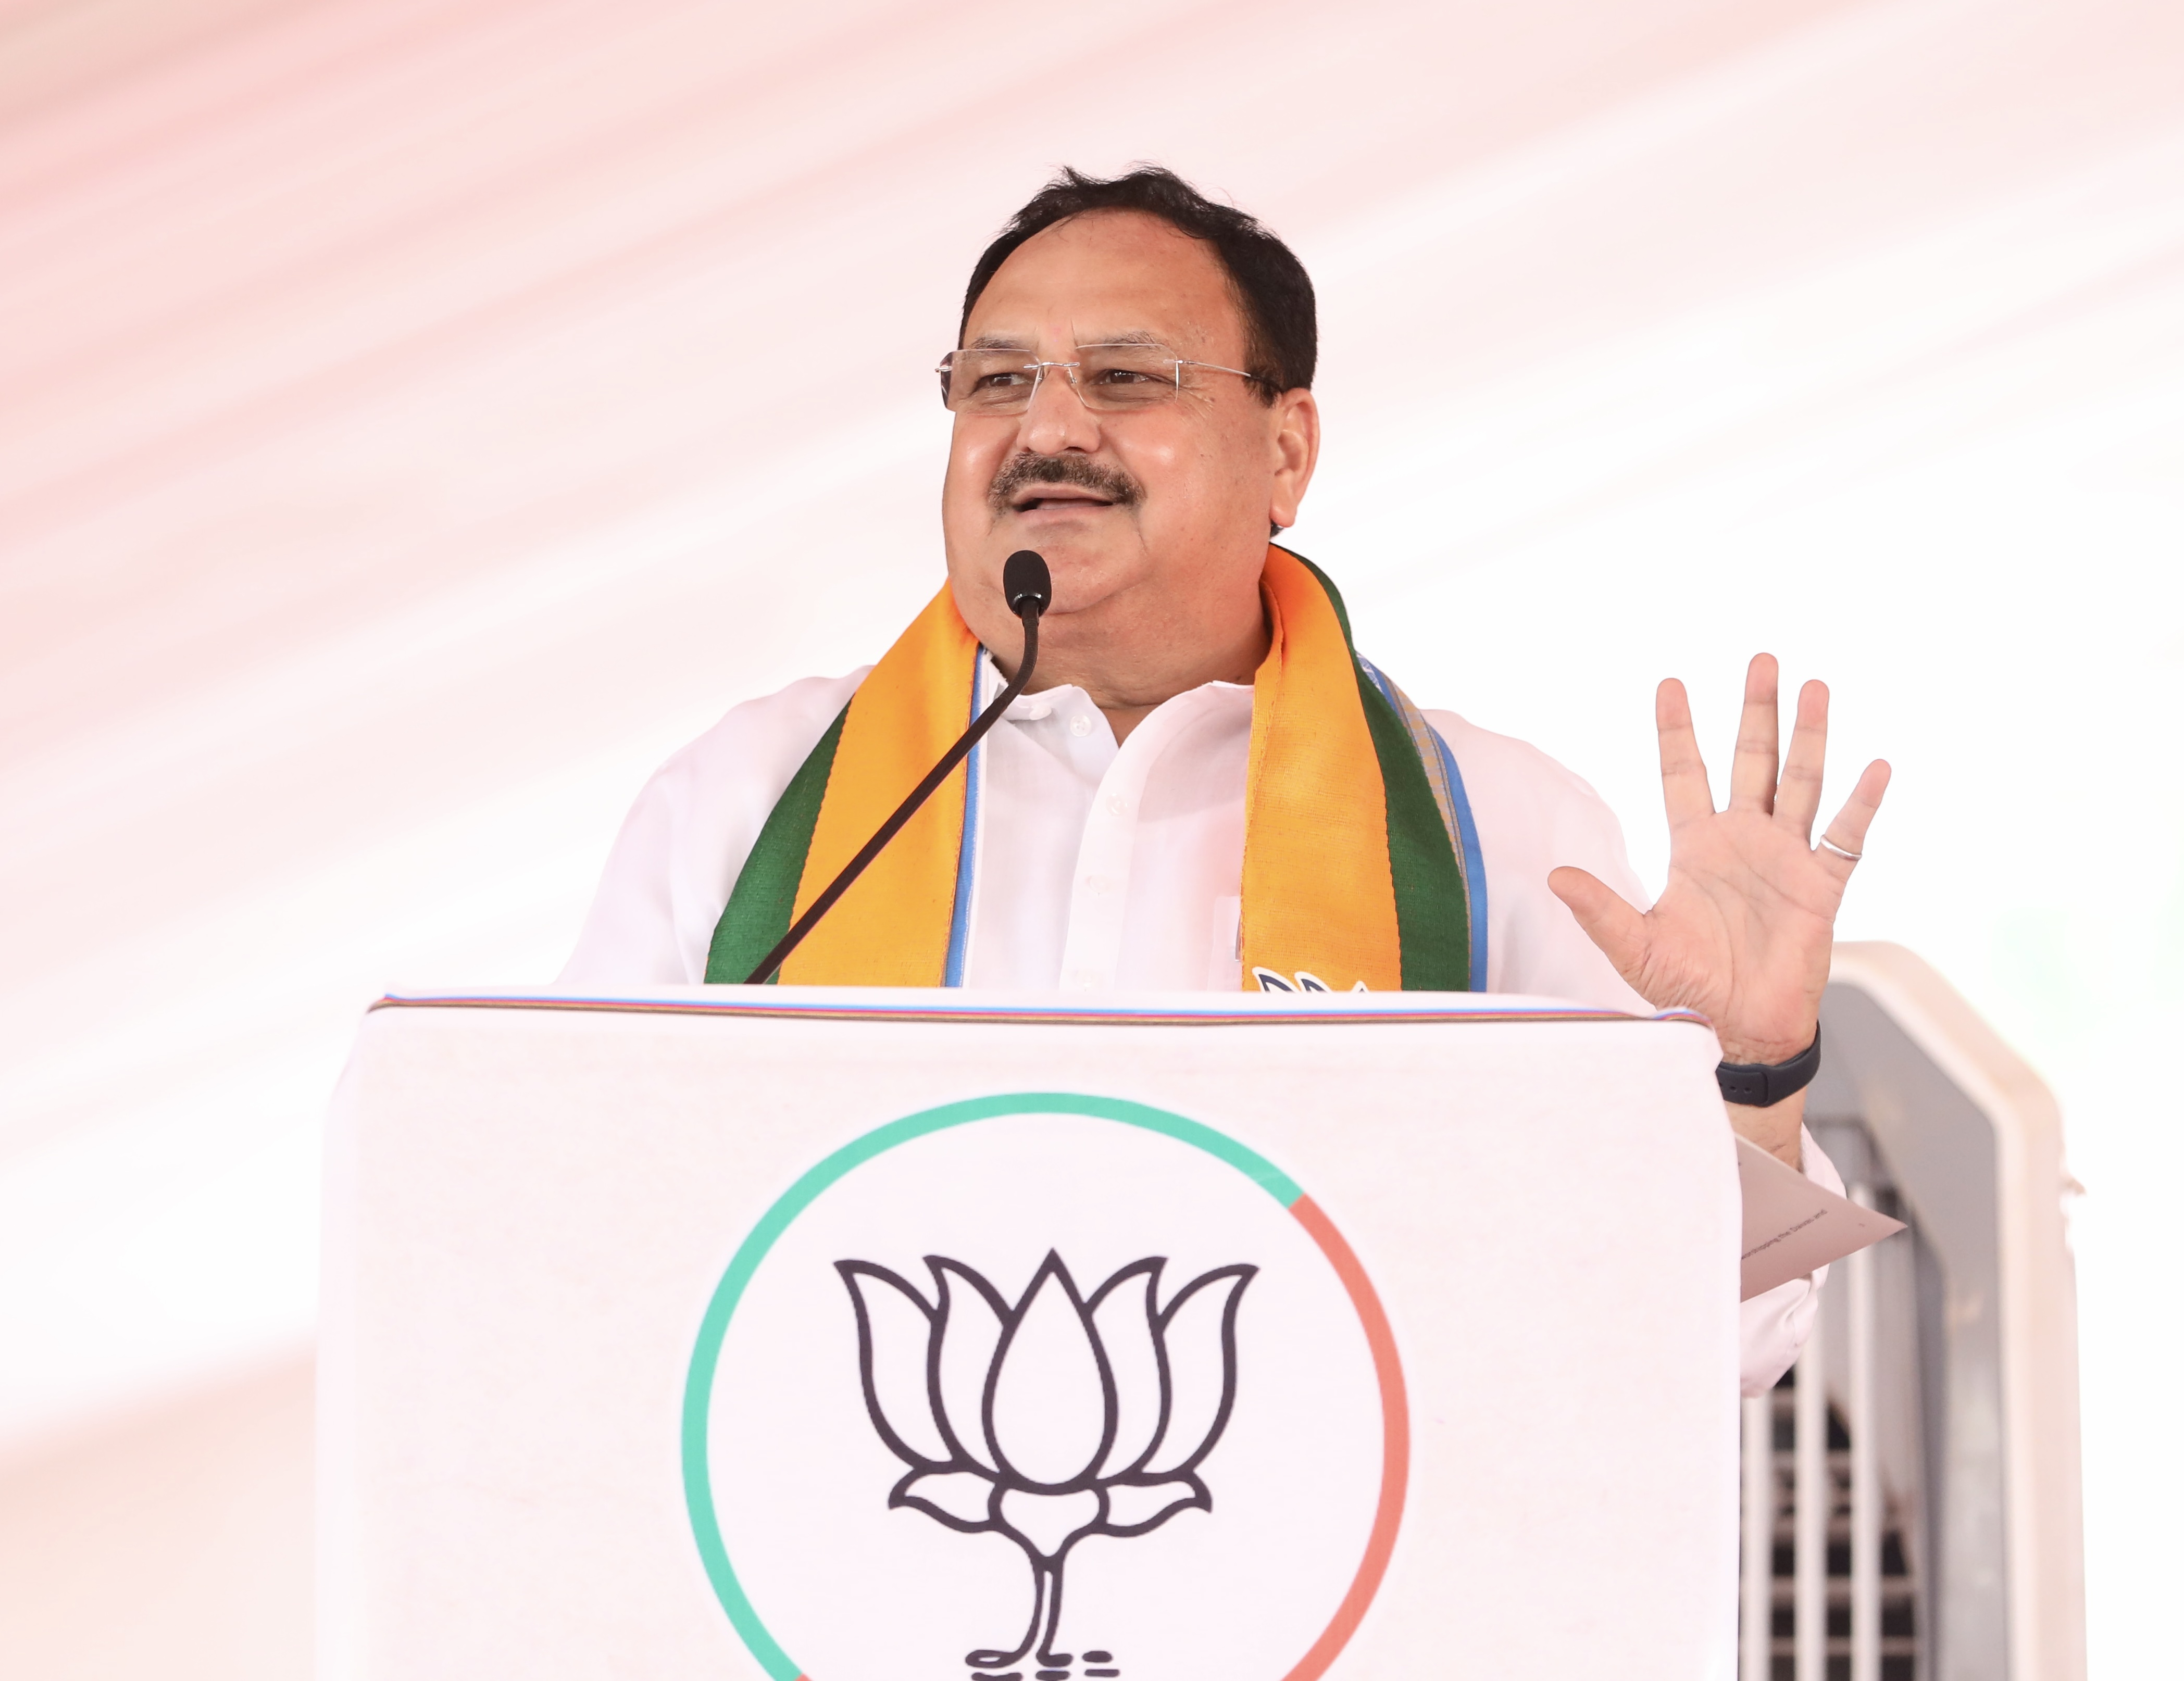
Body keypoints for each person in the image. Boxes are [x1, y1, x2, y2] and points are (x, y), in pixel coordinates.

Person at [560, 166, 1891, 1393]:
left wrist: (1756, 1074)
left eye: (1130, 378)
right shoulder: (750, 804)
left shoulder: (1496, 832)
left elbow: (1694, 1349)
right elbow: (560, 1251)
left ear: (1288, 452)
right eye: (996, 381)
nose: (1049, 427)